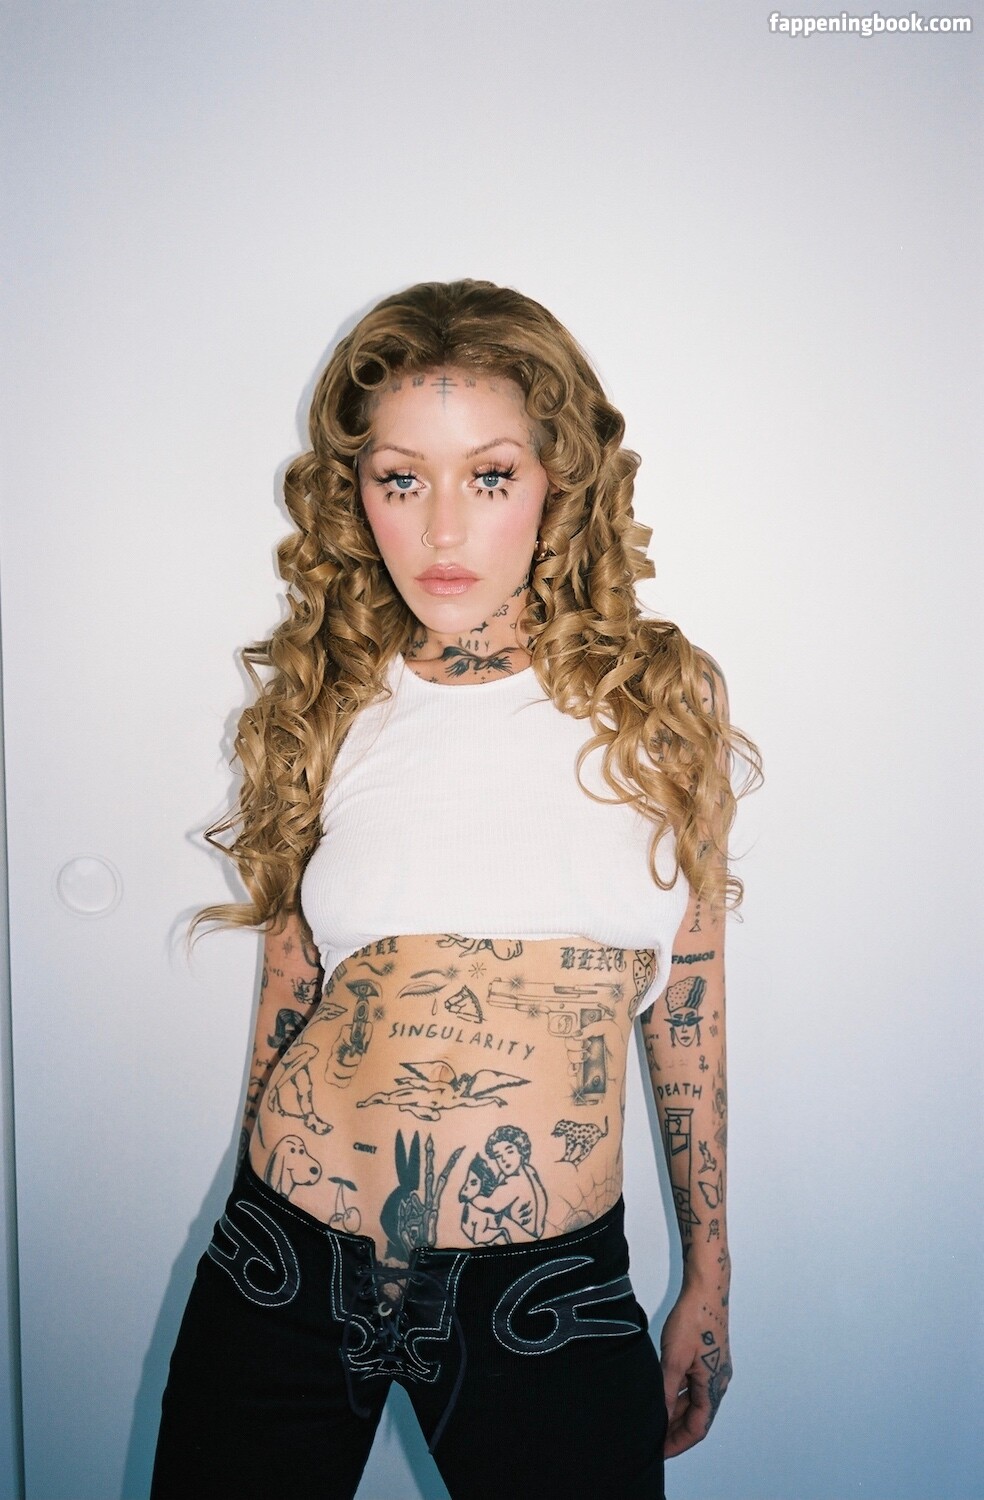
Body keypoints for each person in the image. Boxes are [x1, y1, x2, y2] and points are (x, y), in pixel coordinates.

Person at [150, 278, 761, 1500]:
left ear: (557, 482)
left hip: (542, 1295)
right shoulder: (329, 699)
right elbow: (290, 988)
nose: (440, 529)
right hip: (281, 1265)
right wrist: (248, 1197)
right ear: (355, 492)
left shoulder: (659, 699)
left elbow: (687, 997)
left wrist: (710, 1272)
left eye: (487, 477)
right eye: (399, 479)